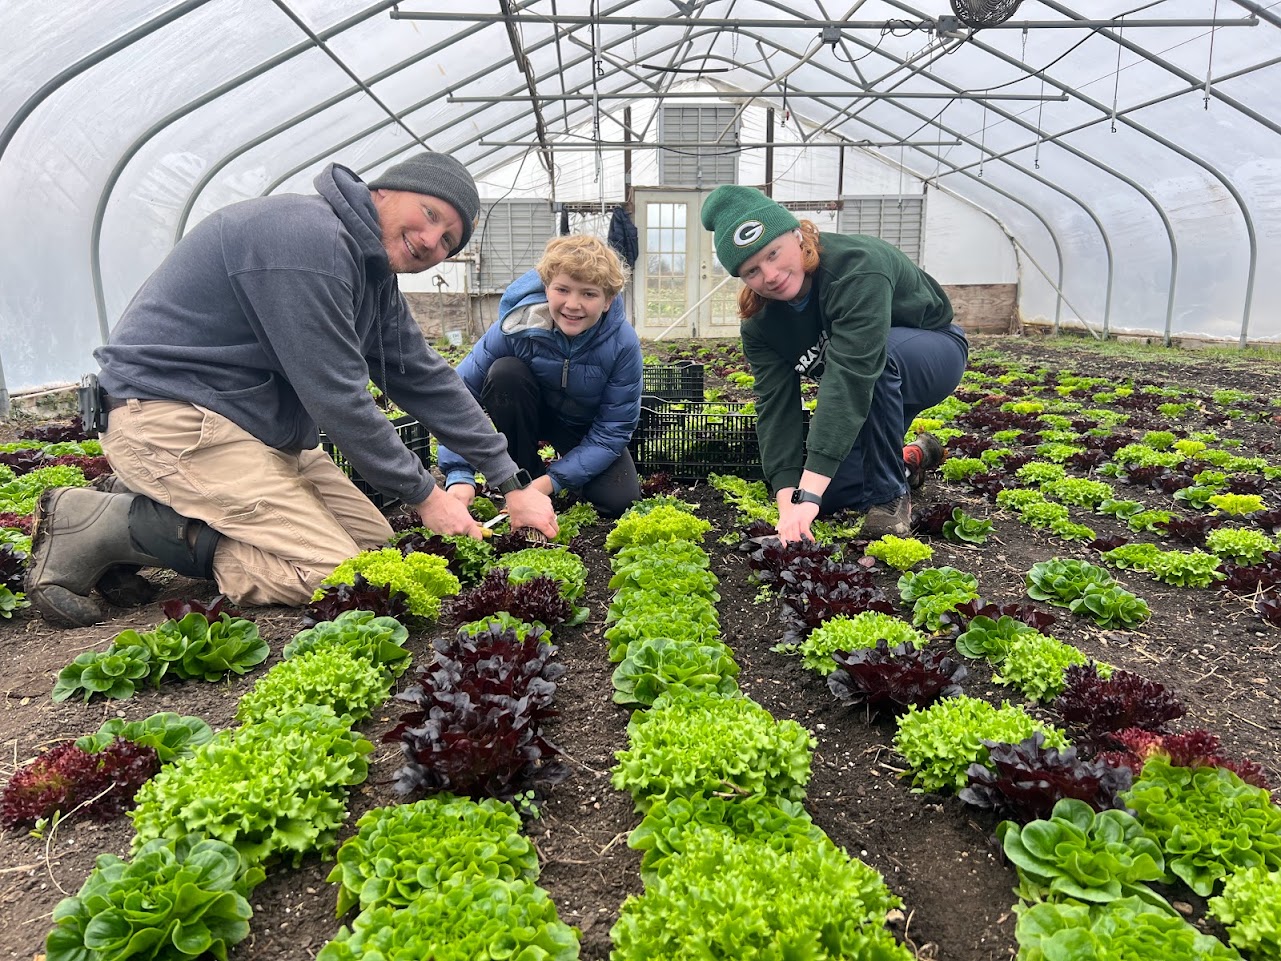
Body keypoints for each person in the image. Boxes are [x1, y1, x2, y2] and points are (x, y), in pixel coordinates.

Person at [26, 152, 558, 627]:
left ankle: (165, 507)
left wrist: (510, 480)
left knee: (376, 549)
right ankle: (111, 525)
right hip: (172, 418)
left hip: (253, 432)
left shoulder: (370, 273)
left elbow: (424, 375)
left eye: (447, 242)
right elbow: (339, 397)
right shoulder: (306, 240)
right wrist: (425, 496)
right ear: (383, 192)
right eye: (431, 216)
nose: (430, 241)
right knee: (341, 575)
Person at [700, 185, 968, 544]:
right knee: (835, 496)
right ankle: (914, 457)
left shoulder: (856, 267)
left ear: (797, 236)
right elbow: (776, 409)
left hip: (930, 353)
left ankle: (890, 497)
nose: (771, 274)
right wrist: (790, 500)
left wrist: (807, 493)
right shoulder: (761, 325)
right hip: (874, 389)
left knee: (876, 361)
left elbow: (851, 377)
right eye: (752, 271)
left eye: (774, 253)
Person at [438, 235, 643, 518]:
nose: (573, 304)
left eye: (589, 294)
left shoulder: (622, 343)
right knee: (504, 373)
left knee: (619, 500)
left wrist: (553, 481)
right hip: (525, 418)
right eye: (563, 289)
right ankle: (523, 475)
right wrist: (459, 473)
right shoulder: (517, 325)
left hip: (581, 429)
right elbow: (456, 395)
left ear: (608, 300)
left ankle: (546, 483)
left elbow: (613, 431)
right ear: (546, 288)